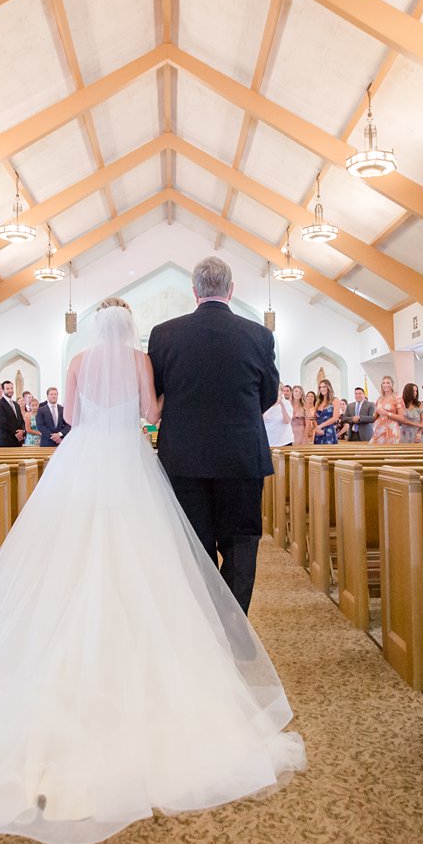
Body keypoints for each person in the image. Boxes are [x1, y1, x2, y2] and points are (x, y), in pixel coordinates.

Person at [0, 295, 305, 844]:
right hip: (129, 461)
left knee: (67, 557)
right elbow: (152, 415)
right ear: (129, 327)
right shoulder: (140, 361)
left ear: (95, 327)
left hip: (83, 462)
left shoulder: (75, 363)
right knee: (145, 557)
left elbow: (68, 417)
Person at [149, 256, 279, 615]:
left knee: (194, 544)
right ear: (231, 289)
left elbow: (155, 393)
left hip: (184, 458)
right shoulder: (259, 334)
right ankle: (234, 627)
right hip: (241, 457)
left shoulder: (164, 334)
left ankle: (204, 627)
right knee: (241, 541)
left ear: (194, 292)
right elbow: (268, 394)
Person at [369, 376, 404, 445]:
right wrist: (375, 413)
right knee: (374, 451)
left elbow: (401, 418)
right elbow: (375, 416)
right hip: (379, 429)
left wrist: (386, 413)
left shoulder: (397, 398)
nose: (385, 385)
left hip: (391, 429)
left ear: (392, 384)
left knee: (390, 453)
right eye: (383, 383)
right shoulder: (380, 399)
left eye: (388, 383)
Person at [0, 380, 26, 448]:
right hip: (5, 441)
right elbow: (3, 422)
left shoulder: (16, 404)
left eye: (11, 388)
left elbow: (21, 420)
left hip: (17, 441)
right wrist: (17, 433)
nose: (10, 390)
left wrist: (22, 430)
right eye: (7, 389)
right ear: (3, 390)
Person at [311, 378, 340, 445]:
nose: (322, 389)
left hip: (329, 431)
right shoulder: (318, 402)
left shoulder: (335, 400)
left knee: (329, 453)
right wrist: (316, 428)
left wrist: (320, 426)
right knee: (317, 454)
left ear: (329, 387)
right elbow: (314, 418)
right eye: (320, 387)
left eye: (324, 387)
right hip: (318, 432)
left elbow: (335, 418)